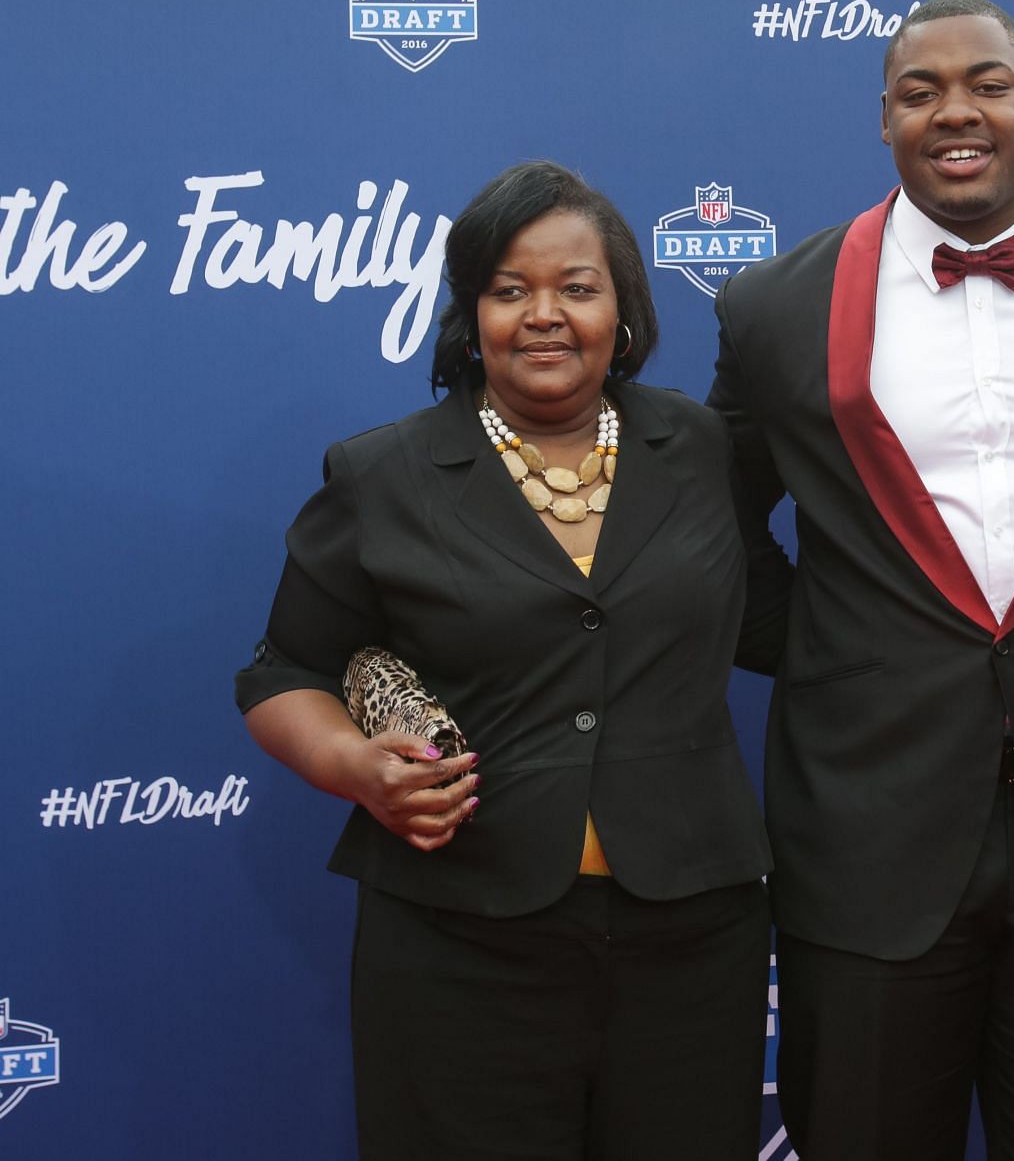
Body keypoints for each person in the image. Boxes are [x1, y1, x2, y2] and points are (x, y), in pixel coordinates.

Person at [708, 0, 1014, 1159]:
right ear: (883, 119)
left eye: (988, 84)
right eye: (921, 92)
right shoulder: (774, 306)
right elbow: (712, 526)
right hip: (866, 838)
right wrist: (830, 645)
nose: (955, 112)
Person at [236, 161, 773, 1160]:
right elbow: (282, 674)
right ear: (470, 309)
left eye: (578, 286)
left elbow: (784, 609)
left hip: (694, 940)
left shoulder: (700, 447)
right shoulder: (382, 473)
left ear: (624, 307)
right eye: (509, 288)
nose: (545, 314)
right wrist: (359, 770)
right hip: (456, 939)